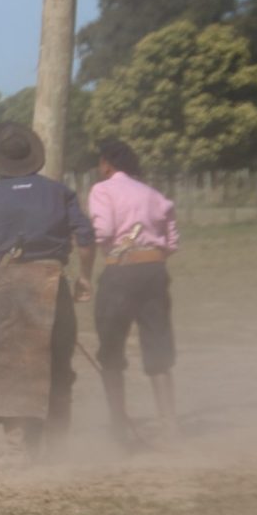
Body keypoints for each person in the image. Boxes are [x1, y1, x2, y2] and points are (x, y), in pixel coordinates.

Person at [0, 122, 95, 462]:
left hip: (5, 282)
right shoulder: (59, 192)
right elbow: (85, 238)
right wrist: (85, 277)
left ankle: (2, 440)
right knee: (57, 363)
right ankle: (56, 443)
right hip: (52, 281)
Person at [87, 138, 181, 445]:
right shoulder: (154, 194)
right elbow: (171, 243)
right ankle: (169, 426)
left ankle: (119, 427)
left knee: (111, 349)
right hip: (153, 270)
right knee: (157, 345)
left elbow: (103, 231)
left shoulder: (103, 190)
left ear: (107, 165)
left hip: (120, 271)